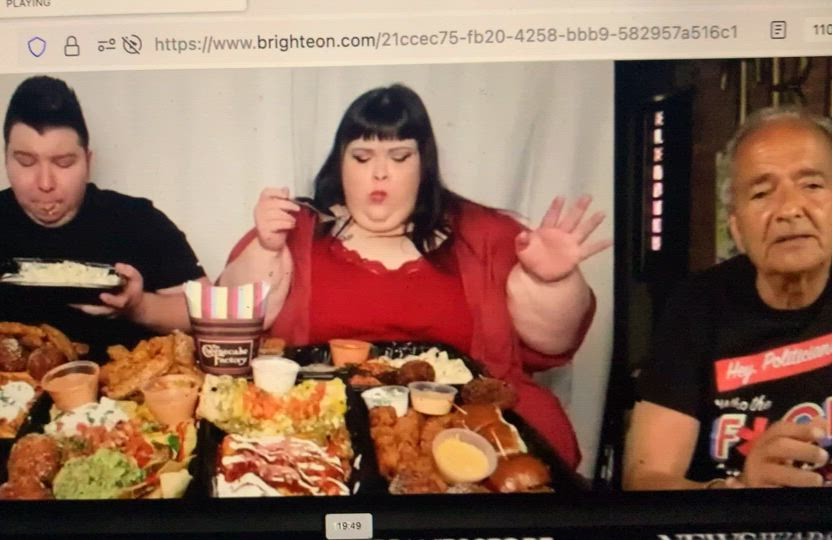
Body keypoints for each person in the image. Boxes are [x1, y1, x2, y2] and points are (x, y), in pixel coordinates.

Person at [217, 84, 610, 468]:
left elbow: (553, 343)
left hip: (469, 427)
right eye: (362, 157)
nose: (380, 173)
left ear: (424, 165)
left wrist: (551, 282)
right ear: (340, 164)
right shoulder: (296, 228)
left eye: (400, 156)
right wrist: (266, 247)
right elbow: (227, 325)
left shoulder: (488, 234)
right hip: (317, 426)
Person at [0, 75, 206, 361]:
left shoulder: (138, 219)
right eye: (26, 161)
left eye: (63, 162)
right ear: (6, 159)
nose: (45, 183)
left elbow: (207, 310)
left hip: (110, 399)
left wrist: (139, 307)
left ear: (88, 162)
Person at [624, 106, 832, 490]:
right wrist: (739, 492)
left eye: (812, 186)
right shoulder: (697, 306)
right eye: (762, 193)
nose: (789, 209)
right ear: (736, 228)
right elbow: (645, 478)